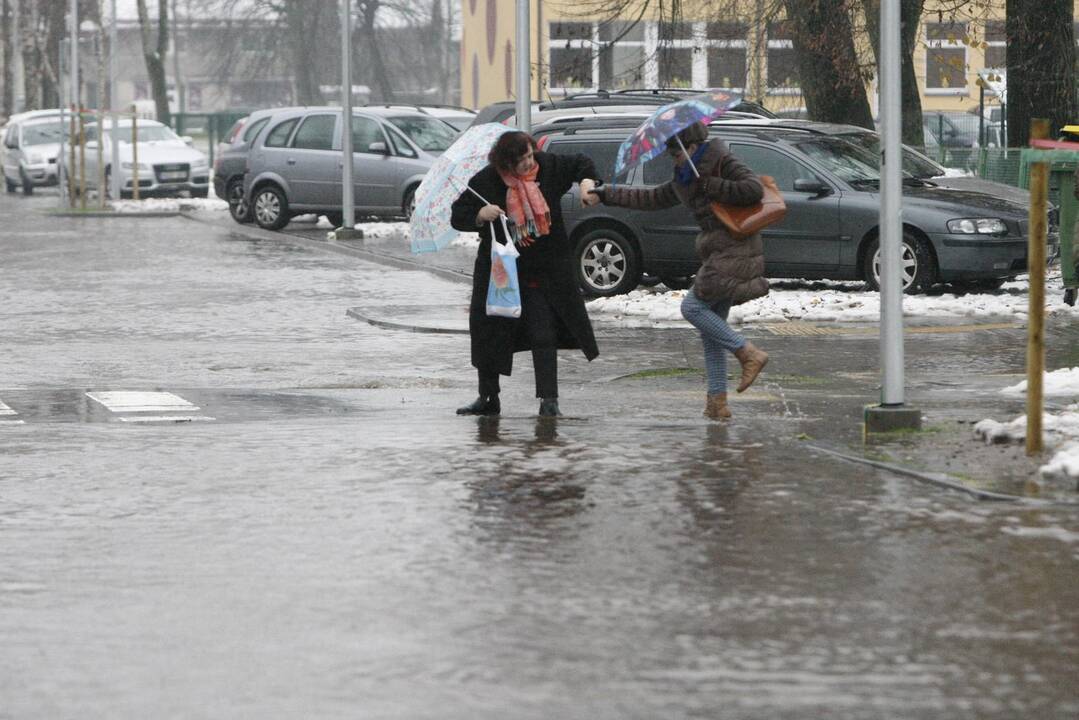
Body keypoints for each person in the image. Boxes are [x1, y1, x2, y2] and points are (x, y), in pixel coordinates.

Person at [589, 121, 769, 420]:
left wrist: (713, 186)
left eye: (675, 155)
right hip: (718, 250)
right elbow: (652, 198)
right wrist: (607, 193)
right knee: (711, 331)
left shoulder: (722, 160)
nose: (674, 160)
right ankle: (717, 404)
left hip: (736, 248)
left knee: (693, 308)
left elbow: (753, 189)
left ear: (693, 147)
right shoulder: (685, 177)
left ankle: (748, 353)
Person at [450, 131, 602, 417]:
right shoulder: (486, 181)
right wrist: (481, 214)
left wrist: (586, 185)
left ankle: (549, 400)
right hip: (502, 272)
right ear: (505, 163)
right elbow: (458, 214)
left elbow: (582, 163)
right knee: (488, 333)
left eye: (530, 155)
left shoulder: (548, 167)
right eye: (522, 160)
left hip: (544, 270)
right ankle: (488, 398)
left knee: (543, 332)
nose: (529, 162)